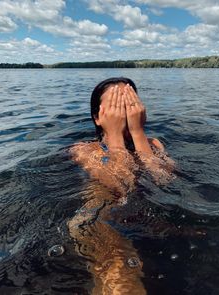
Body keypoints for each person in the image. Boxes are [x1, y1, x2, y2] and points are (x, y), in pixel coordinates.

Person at [68, 77, 175, 294]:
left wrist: (138, 133)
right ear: (98, 117)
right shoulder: (84, 150)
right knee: (120, 276)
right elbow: (120, 184)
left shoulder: (153, 144)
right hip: (101, 217)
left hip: (145, 216)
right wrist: (115, 134)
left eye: (129, 105)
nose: (123, 113)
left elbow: (163, 181)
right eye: (115, 107)